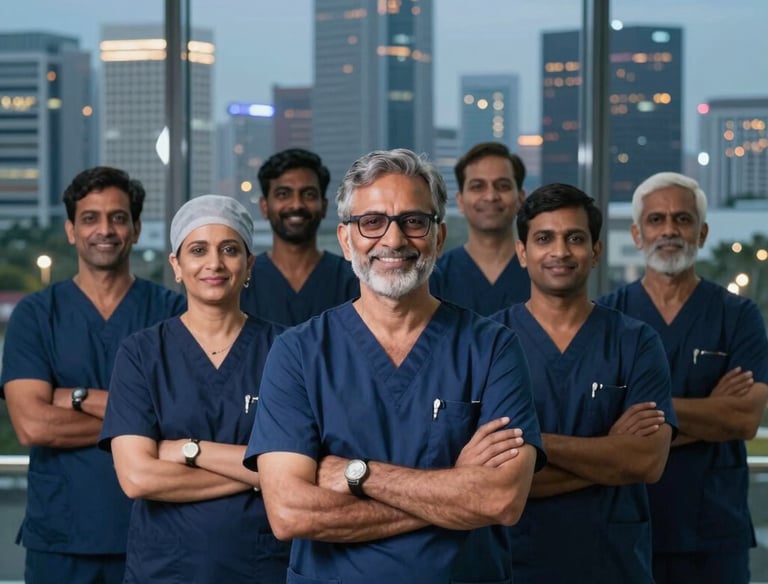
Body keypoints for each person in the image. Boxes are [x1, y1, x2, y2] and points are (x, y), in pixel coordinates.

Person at [245, 148, 543, 584]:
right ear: (346, 240)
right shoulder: (298, 353)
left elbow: (500, 500)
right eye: (372, 222)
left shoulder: (493, 348)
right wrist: (454, 489)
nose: (393, 240)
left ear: (439, 237)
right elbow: (290, 513)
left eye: (414, 221)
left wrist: (357, 473)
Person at [0, 166, 185, 584]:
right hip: (60, 538)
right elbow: (31, 424)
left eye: (118, 217)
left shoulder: (171, 314)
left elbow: (178, 419)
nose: (105, 229)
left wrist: (75, 396)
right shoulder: (35, 315)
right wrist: (137, 419)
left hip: (151, 533)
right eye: (90, 218)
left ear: (136, 229)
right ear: (71, 230)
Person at [98, 195, 290, 583]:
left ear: (249, 264)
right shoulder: (141, 353)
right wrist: (257, 473)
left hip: (261, 565)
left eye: (230, 250)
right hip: (165, 568)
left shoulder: (286, 351)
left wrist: (190, 450)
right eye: (198, 250)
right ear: (177, 266)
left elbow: (298, 474)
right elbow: (138, 478)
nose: (214, 264)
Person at [491, 183, 676, 583]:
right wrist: (612, 455)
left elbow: (648, 461)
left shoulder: (635, 341)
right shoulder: (488, 342)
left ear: (595, 252)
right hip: (515, 564)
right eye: (544, 239)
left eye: (575, 238)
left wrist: (532, 444)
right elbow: (489, 482)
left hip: (613, 565)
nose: (560, 251)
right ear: (522, 252)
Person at [598, 172, 768, 584]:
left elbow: (744, 419)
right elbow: (601, 421)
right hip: (629, 525)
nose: (669, 230)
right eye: (656, 220)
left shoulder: (738, 316)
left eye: (683, 219)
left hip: (713, 529)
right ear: (637, 235)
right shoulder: (607, 318)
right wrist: (711, 412)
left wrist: (643, 419)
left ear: (702, 232)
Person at [240, 148, 359, 325]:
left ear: (324, 206)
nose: (296, 204)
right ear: (264, 207)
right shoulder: (242, 281)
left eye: (309, 194)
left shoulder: (351, 280)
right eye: (283, 194)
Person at [430, 141, 530, 315]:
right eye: (477, 186)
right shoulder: (436, 276)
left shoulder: (541, 271)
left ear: (521, 198)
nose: (491, 196)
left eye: (503, 186)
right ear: (460, 200)